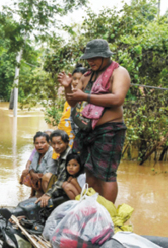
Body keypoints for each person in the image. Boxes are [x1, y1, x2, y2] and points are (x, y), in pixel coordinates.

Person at [58, 39, 130, 203]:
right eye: (88, 58)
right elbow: (73, 102)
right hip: (88, 129)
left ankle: (108, 214)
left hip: (109, 130)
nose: (90, 61)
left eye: (95, 58)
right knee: (90, 171)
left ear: (106, 56)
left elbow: (118, 99)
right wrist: (68, 87)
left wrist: (85, 96)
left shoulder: (119, 72)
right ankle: (92, 208)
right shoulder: (87, 76)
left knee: (106, 175)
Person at [36, 130, 71, 207]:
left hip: (70, 187)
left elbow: (62, 179)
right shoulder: (62, 154)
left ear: (66, 142)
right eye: (53, 143)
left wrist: (48, 194)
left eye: (59, 143)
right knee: (48, 177)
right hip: (64, 184)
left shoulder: (69, 157)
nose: (56, 146)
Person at [58, 64, 88, 146]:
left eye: (80, 79)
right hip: (66, 138)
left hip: (80, 139)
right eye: (74, 79)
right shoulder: (70, 99)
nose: (76, 82)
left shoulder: (88, 98)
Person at [20, 132, 56, 197]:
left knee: (45, 177)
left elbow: (50, 171)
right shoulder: (37, 152)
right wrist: (33, 174)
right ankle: (35, 193)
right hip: (39, 175)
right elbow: (31, 166)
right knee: (25, 173)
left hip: (49, 179)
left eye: (42, 143)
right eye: (37, 143)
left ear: (49, 143)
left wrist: (38, 175)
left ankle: (45, 194)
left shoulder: (51, 153)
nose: (39, 145)